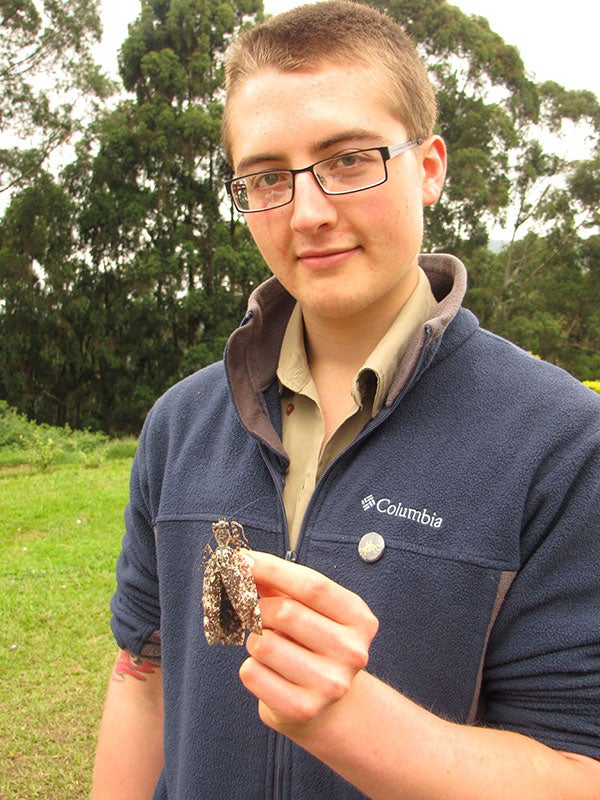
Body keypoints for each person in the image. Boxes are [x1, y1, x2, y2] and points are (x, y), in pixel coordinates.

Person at [92, 2, 600, 798]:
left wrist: (352, 722)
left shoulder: (562, 444)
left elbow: (580, 771)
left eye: (349, 160)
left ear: (428, 166)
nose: (308, 213)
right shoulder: (181, 426)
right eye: (266, 178)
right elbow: (142, 675)